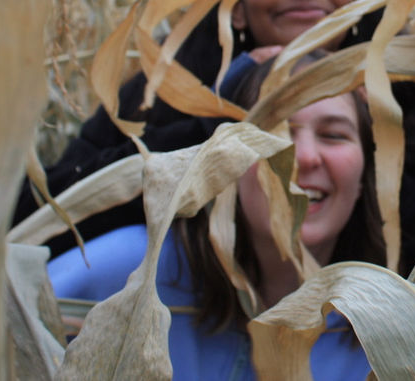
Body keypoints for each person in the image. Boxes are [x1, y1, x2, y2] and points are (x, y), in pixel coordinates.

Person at [15, 0, 415, 270]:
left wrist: (367, 125)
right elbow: (45, 216)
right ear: (233, 6)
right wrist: (224, 115)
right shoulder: (161, 90)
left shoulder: (411, 100)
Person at [48, 53, 383, 379]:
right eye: (275, 132)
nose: (305, 157)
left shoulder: (382, 341)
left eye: (334, 135)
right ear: (226, 165)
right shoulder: (123, 272)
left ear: (364, 179)